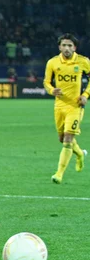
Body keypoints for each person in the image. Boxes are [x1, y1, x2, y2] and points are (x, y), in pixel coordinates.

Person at [43, 33, 90, 183]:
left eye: (70, 45)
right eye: (64, 45)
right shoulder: (52, 62)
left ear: (75, 47)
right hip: (59, 105)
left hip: (75, 106)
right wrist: (52, 90)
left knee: (68, 139)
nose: (67, 48)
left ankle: (59, 173)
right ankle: (80, 154)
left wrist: (86, 94)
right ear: (59, 47)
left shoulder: (83, 61)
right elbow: (46, 82)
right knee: (62, 139)